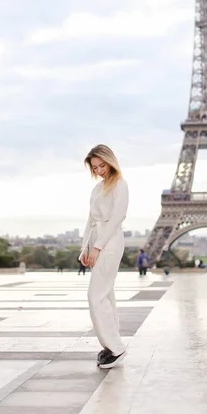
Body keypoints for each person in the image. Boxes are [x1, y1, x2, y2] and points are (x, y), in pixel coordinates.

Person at [79, 144, 129, 370]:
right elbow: (90, 221)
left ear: (111, 161)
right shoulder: (98, 189)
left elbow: (117, 218)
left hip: (109, 242)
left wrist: (98, 247)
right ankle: (112, 343)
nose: (99, 170)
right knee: (106, 295)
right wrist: (85, 248)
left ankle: (115, 347)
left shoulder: (120, 185)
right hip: (97, 241)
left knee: (95, 296)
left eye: (102, 165)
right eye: (95, 167)